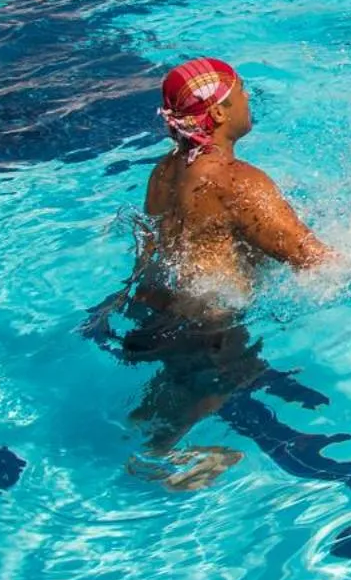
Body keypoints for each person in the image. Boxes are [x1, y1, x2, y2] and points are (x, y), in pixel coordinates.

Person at [107, 57, 332, 483]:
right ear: (217, 114)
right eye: (241, 92)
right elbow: (309, 257)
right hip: (208, 321)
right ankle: (155, 461)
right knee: (218, 384)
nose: (249, 99)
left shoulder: (166, 168)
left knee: (176, 383)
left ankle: (140, 431)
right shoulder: (236, 181)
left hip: (156, 300)